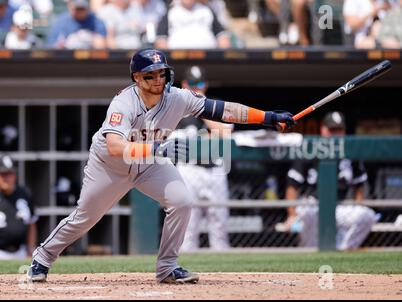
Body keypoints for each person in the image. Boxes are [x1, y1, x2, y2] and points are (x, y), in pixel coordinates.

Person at [29, 48, 295, 284]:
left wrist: (267, 117)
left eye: (162, 74)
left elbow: (223, 110)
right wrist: (155, 149)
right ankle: (43, 256)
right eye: (150, 75)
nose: (157, 80)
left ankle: (167, 268)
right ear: (136, 78)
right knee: (86, 217)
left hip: (149, 163)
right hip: (110, 167)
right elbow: (115, 146)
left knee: (182, 200)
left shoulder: (178, 97)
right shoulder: (124, 102)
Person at [277, 111, 376, 250]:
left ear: (344, 131)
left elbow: (359, 185)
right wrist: (292, 214)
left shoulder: (351, 151)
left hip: (341, 207)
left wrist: (357, 205)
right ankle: (309, 251)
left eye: (339, 130)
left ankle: (342, 250)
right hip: (313, 205)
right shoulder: (310, 150)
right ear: (323, 130)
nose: (335, 133)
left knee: (367, 215)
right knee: (306, 214)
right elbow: (292, 185)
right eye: (332, 130)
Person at [176, 65, 232, 252]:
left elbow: (224, 133)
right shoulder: (174, 110)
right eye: (192, 84)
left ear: (205, 85)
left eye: (199, 84)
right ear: (184, 84)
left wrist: (201, 109)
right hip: (189, 169)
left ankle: (224, 278)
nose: (196, 88)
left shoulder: (216, 107)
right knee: (188, 227)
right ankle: (184, 272)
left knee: (219, 226)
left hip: (215, 169)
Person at [0, 155, 38, 259]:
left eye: (10, 174)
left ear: (15, 175)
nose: (6, 178)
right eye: (3, 174)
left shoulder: (24, 193)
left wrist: (30, 249)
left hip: (19, 252)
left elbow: (32, 223)